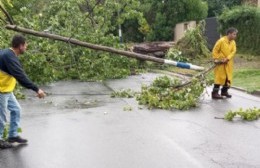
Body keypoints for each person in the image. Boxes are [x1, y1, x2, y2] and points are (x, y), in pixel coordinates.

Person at [0, 34, 46, 149]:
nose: (26, 47)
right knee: (2, 116)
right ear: (20, 46)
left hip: (7, 90)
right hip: (1, 90)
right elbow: (21, 76)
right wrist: (37, 89)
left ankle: (13, 135)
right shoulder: (8, 56)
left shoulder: (9, 54)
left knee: (16, 110)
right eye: (25, 45)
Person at [211, 28, 238, 99]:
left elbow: (233, 51)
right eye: (234, 34)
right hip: (220, 62)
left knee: (227, 78)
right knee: (219, 78)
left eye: (235, 34)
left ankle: (224, 91)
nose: (235, 36)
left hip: (228, 63)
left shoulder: (233, 42)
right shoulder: (221, 41)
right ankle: (214, 93)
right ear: (229, 34)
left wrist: (227, 58)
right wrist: (216, 59)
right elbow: (215, 50)